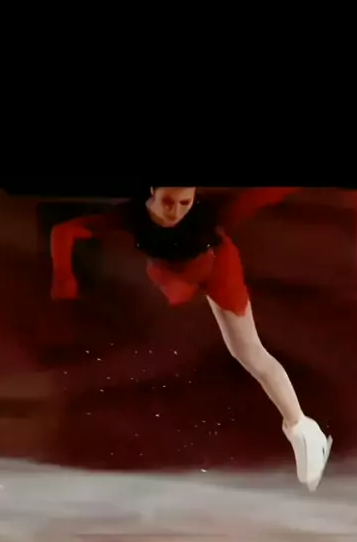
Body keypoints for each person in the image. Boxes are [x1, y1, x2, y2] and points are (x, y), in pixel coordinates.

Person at [50, 187, 332, 490]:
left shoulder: (209, 211)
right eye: (168, 202)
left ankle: (303, 429)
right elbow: (64, 231)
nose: (175, 211)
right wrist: (64, 278)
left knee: (248, 352)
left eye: (185, 202)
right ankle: (302, 428)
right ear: (153, 191)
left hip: (218, 268)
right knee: (165, 281)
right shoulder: (132, 214)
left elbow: (264, 194)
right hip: (176, 274)